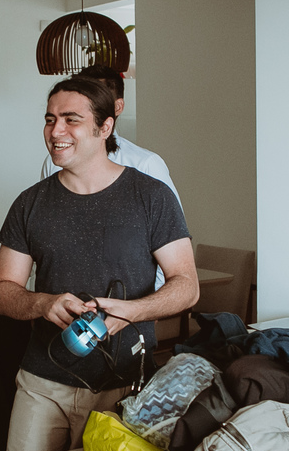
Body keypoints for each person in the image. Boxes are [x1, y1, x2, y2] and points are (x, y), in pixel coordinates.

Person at [0, 76, 199, 451]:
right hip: (43, 382)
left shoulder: (150, 197)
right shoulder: (31, 203)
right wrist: (41, 303)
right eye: (50, 119)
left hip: (126, 387)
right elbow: (3, 292)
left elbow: (186, 285)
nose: (55, 131)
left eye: (71, 119)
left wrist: (133, 311)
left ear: (106, 127)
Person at [40, 64, 182, 289]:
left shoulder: (146, 165)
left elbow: (170, 244)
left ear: (116, 107)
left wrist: (149, 302)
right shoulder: (52, 165)